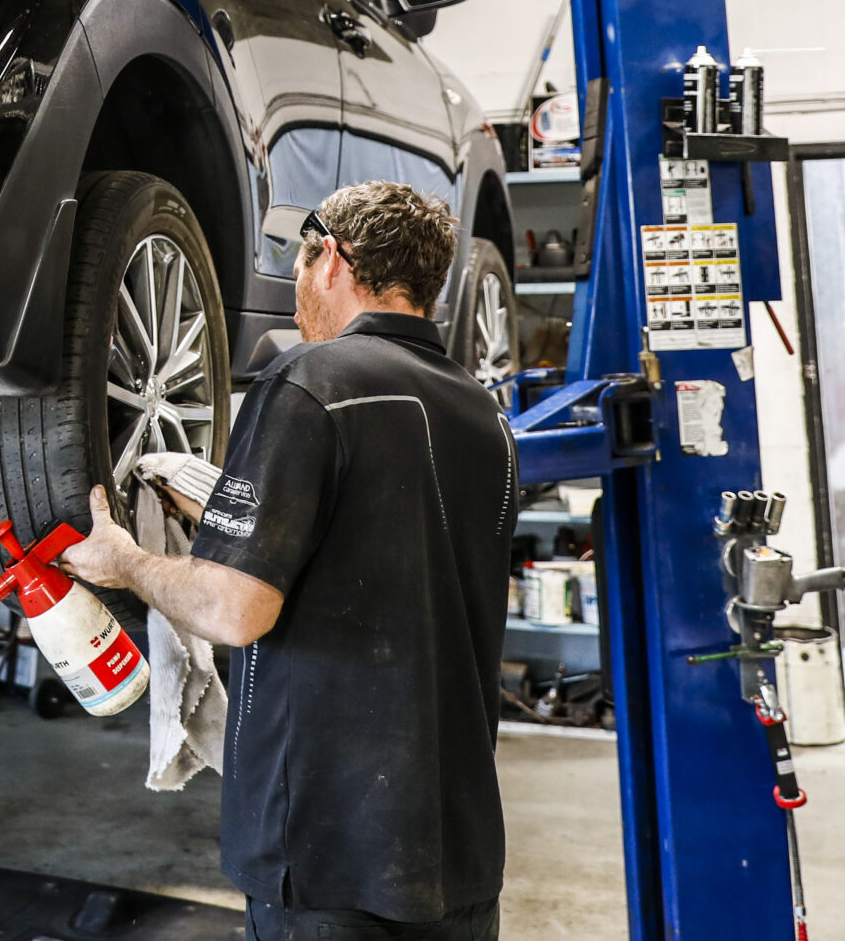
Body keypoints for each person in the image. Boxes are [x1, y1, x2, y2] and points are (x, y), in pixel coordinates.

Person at [62, 180, 516, 941]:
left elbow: (235, 610)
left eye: (301, 264)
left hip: (329, 853)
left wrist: (127, 561)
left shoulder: (312, 381)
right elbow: (385, 550)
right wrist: (230, 516)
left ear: (332, 260)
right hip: (457, 856)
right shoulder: (482, 414)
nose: (299, 289)